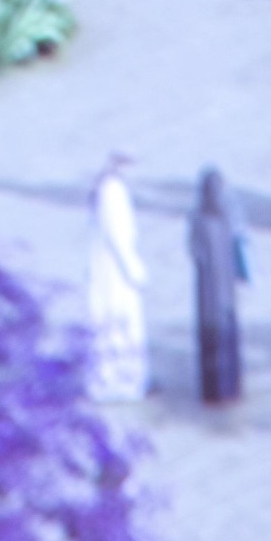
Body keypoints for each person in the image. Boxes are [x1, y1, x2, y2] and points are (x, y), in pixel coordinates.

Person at [87, 151, 149, 401]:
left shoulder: (110, 188)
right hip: (114, 273)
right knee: (119, 322)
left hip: (110, 270)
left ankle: (121, 377)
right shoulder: (112, 192)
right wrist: (135, 269)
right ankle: (120, 381)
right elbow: (117, 236)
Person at [187, 166, 249, 404]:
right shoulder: (224, 218)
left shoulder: (199, 218)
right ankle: (227, 389)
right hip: (221, 296)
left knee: (215, 338)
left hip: (210, 296)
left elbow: (193, 251)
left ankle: (217, 391)